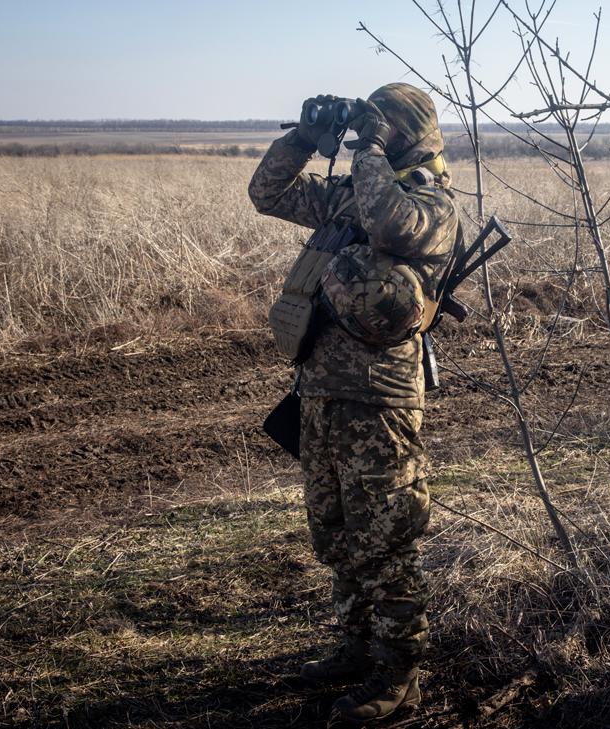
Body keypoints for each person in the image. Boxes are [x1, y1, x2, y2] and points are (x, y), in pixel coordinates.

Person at [248, 83, 458, 724]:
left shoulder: (431, 202)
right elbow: (269, 195)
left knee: (385, 538)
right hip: (319, 390)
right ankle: (356, 645)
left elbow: (391, 221)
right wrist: (306, 141)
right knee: (334, 532)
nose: (373, 136)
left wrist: (366, 149)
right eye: (371, 128)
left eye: (385, 126)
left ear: (410, 133)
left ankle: (400, 677)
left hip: (379, 401)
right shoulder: (348, 196)